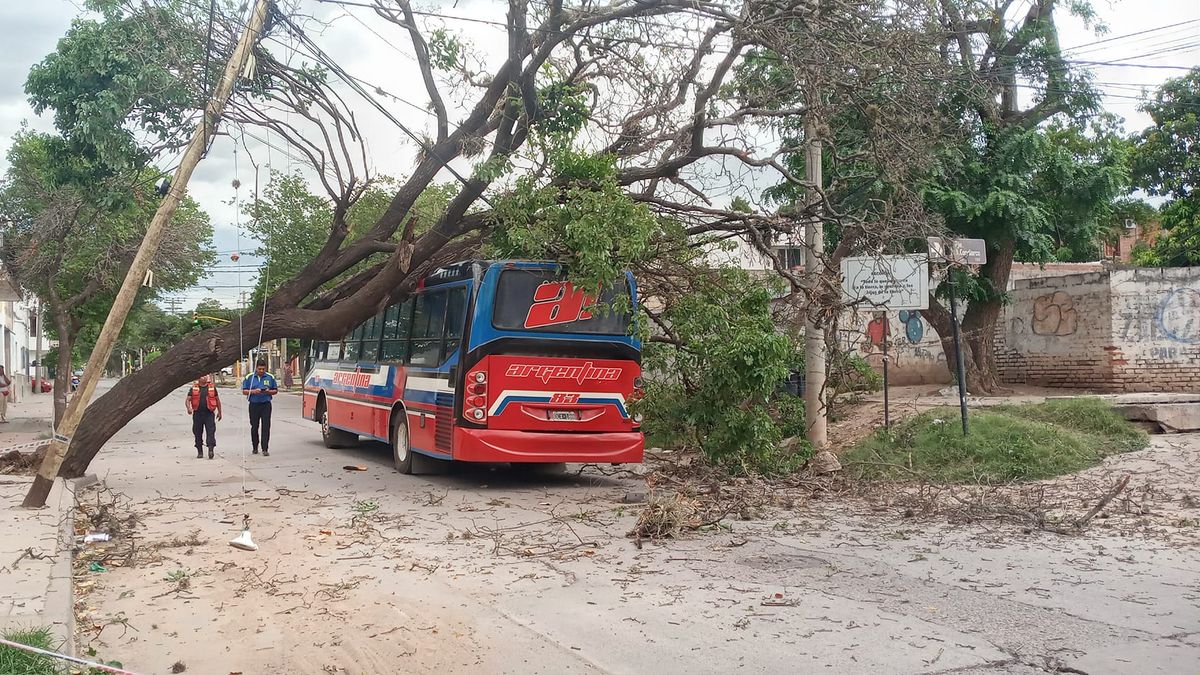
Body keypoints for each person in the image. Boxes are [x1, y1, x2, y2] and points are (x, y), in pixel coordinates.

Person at [242, 360, 278, 456]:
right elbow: (244, 391)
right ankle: (255, 447)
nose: (261, 371)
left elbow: (275, 390)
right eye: (259, 369)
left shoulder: (270, 377)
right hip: (254, 405)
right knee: (254, 427)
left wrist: (268, 391)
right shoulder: (249, 377)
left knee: (266, 426)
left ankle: (265, 448)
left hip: (266, 405)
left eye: (263, 369)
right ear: (256, 368)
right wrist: (254, 391)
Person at [185, 374, 222, 459]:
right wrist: (188, 408)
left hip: (209, 413)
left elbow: (217, 400)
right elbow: (188, 399)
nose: (204, 377)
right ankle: (200, 451)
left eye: (206, 376)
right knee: (197, 432)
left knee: (211, 432)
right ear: (198, 378)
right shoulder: (194, 388)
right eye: (202, 376)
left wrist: (220, 412)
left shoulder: (212, 388)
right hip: (197, 414)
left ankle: (211, 449)